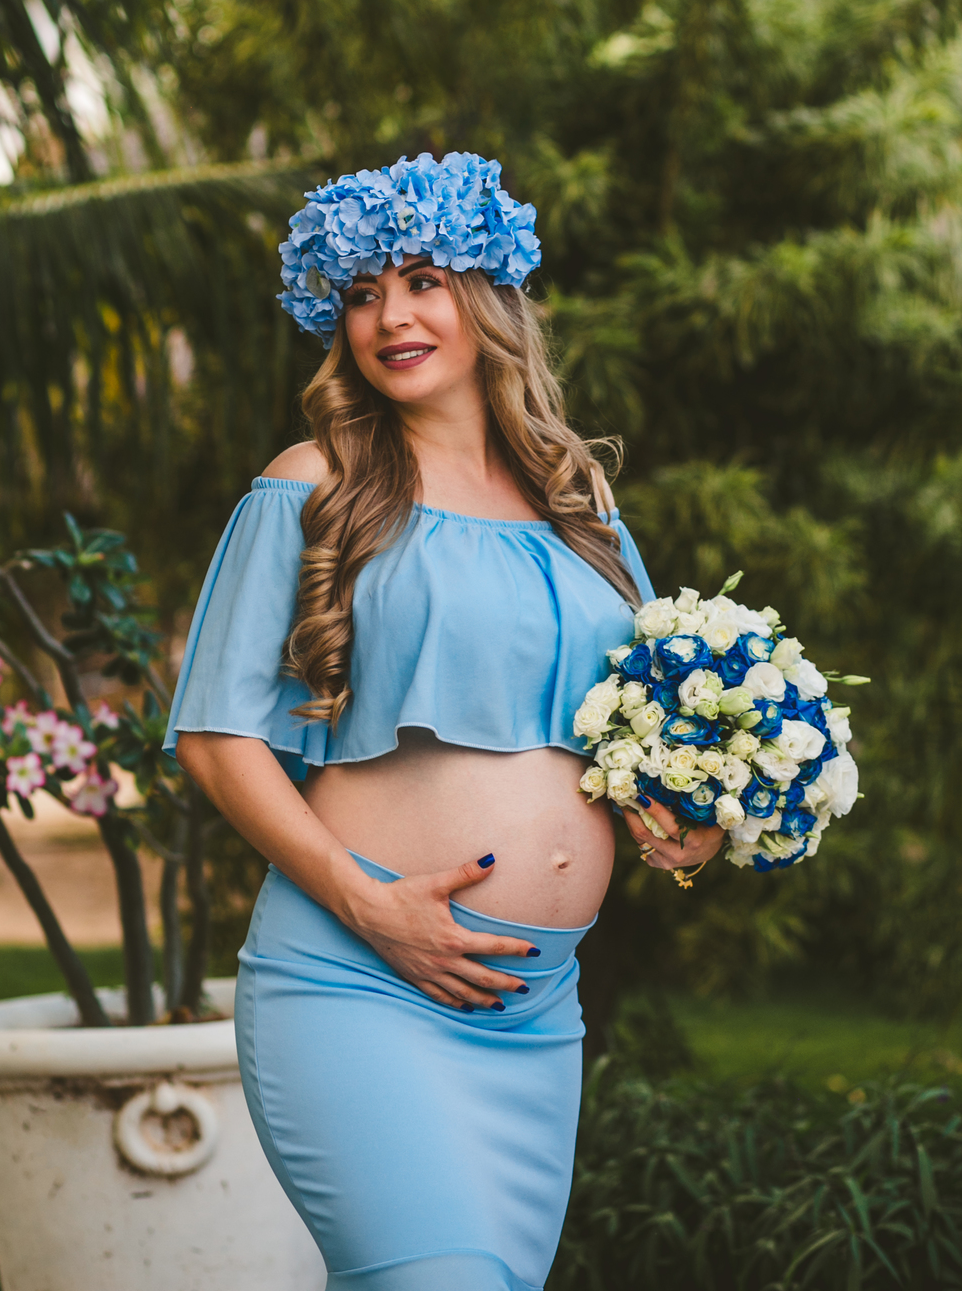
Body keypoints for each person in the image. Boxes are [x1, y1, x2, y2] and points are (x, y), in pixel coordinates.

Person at [166, 153, 724, 1291]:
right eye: (361, 293)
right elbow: (216, 739)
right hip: (358, 980)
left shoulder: (582, 508)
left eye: (421, 279)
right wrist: (370, 904)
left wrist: (691, 820)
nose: (390, 316)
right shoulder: (309, 486)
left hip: (535, 1010)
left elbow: (640, 727)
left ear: (489, 297)